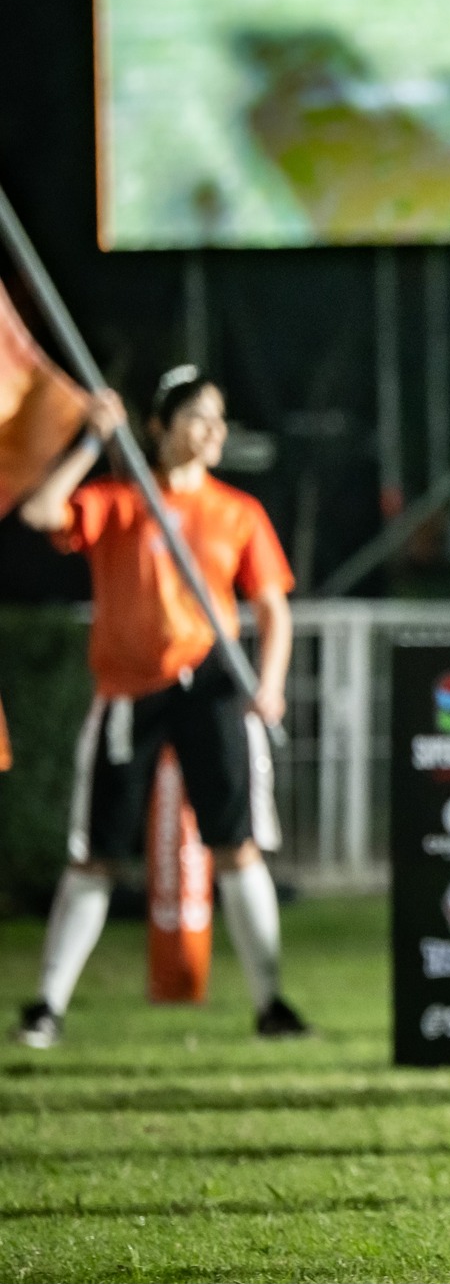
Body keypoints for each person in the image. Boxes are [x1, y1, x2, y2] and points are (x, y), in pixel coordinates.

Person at [12, 367, 307, 1047]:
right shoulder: (118, 500)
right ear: (160, 425)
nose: (213, 432)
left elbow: (272, 606)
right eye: (198, 417)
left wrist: (269, 682)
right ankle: (48, 1005)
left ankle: (272, 1002)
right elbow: (41, 512)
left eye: (218, 419)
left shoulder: (238, 511)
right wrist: (93, 440)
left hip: (209, 687)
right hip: (129, 690)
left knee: (237, 846)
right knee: (97, 854)